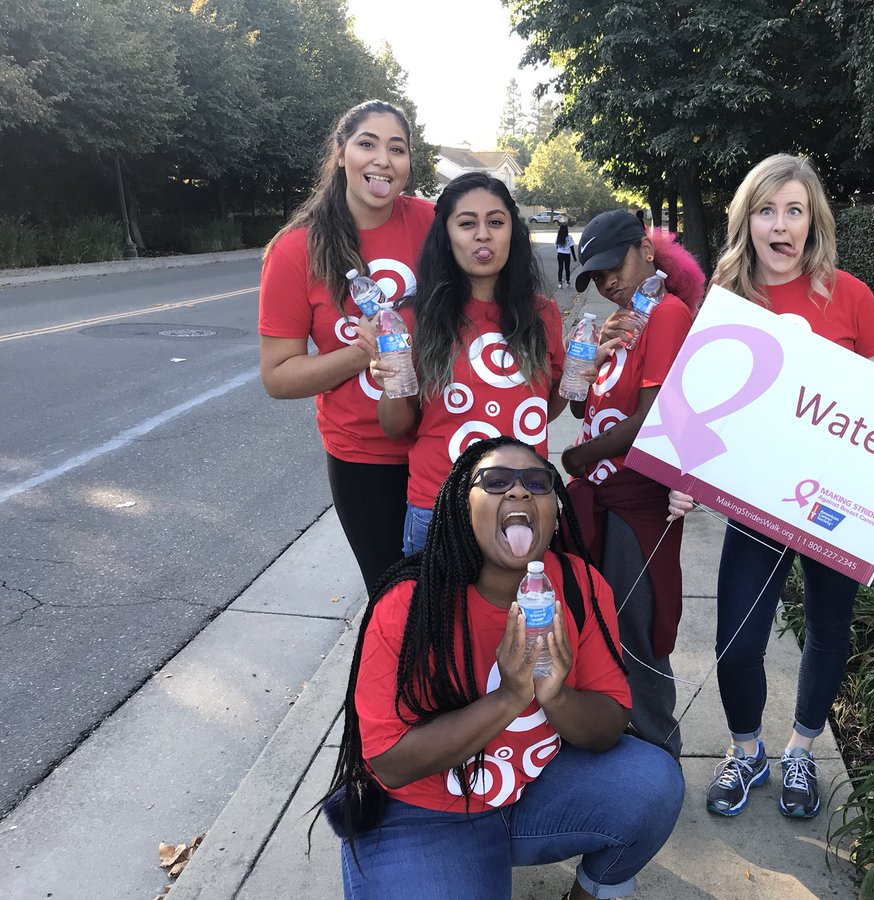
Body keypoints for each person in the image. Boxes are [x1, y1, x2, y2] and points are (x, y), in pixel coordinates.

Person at [666, 154, 874, 819]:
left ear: (813, 222)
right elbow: (698, 404)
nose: (780, 226)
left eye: (793, 211)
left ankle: (800, 751)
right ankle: (747, 749)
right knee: (737, 640)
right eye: (765, 211)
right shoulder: (725, 300)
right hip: (755, 503)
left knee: (827, 625)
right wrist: (683, 476)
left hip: (833, 505)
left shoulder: (852, 297)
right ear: (746, 221)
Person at [321, 435, 685, 900]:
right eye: (495, 482)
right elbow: (389, 764)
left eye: (538, 481)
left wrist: (558, 696)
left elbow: (609, 725)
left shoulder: (579, 583)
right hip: (427, 810)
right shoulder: (408, 604)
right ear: (461, 508)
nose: (518, 493)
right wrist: (510, 697)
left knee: (652, 783)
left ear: (554, 514)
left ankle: (590, 892)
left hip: (534, 784)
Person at [258, 100, 434, 594]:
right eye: (367, 144)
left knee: (453, 599)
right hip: (366, 461)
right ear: (340, 155)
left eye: (396, 149)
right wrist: (363, 353)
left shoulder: (433, 222)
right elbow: (277, 376)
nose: (382, 160)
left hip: (445, 440)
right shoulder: (296, 250)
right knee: (395, 603)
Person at [559, 211, 702, 758]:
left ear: (645, 248)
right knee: (602, 627)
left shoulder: (666, 313)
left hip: (636, 504)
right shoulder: (626, 320)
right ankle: (618, 740)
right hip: (601, 502)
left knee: (637, 633)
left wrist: (577, 458)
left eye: (611, 267)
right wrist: (587, 357)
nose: (606, 283)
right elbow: (579, 403)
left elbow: (650, 421)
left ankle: (657, 751)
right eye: (594, 277)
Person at [372, 173, 567, 556]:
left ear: (512, 232)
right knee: (440, 618)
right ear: (446, 236)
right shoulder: (412, 318)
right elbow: (396, 427)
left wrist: (581, 373)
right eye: (467, 223)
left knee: (518, 616)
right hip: (439, 508)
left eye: (495, 222)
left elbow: (545, 409)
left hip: (521, 505)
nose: (483, 234)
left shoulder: (544, 315)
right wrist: (390, 380)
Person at [554, 221, 576, 289]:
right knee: (567, 268)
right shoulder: (569, 237)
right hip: (567, 254)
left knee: (560, 268)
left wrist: (559, 250)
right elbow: (572, 248)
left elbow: (556, 245)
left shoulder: (558, 237)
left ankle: (560, 283)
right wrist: (574, 257)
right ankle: (567, 282)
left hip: (560, 254)